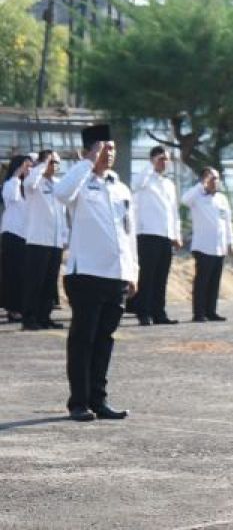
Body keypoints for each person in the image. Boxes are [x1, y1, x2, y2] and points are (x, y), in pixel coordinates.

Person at [54, 124, 138, 422]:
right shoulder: (78, 181)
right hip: (86, 273)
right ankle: (78, 402)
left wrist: (133, 270)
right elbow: (61, 194)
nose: (109, 153)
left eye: (112, 148)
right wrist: (87, 162)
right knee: (83, 339)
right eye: (103, 148)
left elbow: (129, 232)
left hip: (116, 274)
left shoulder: (120, 186)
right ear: (88, 151)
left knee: (105, 339)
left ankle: (98, 400)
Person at [132, 146, 183, 325]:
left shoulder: (169, 184)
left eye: (167, 159)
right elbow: (136, 185)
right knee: (147, 276)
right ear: (153, 159)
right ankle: (143, 313)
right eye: (161, 159)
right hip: (148, 234)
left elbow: (174, 211)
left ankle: (159, 313)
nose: (165, 162)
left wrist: (176, 234)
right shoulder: (145, 179)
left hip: (165, 235)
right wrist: (151, 165)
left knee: (161, 277)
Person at [181, 168, 233, 323]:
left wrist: (230, 242)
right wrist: (201, 185)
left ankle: (211, 311)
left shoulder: (222, 199)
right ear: (204, 179)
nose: (215, 181)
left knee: (214, 281)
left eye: (217, 178)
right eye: (212, 178)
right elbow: (184, 200)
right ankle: (198, 313)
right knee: (202, 282)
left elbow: (227, 221)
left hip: (219, 246)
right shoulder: (196, 196)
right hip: (203, 246)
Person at [21, 151, 68, 330]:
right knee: (35, 282)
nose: (55, 166)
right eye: (52, 162)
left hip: (55, 241)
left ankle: (44, 316)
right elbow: (29, 182)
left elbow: (62, 213)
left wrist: (64, 236)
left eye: (57, 162)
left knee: (49, 283)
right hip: (38, 240)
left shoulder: (58, 185)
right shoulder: (34, 183)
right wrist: (42, 164)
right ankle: (29, 317)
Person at [2, 154, 33, 323]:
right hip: (12, 234)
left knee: (24, 274)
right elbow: (11, 197)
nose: (29, 170)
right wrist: (16, 175)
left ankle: (22, 307)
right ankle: (12, 309)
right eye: (26, 167)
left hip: (26, 236)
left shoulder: (29, 187)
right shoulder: (10, 184)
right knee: (13, 273)